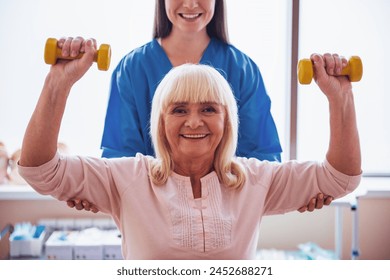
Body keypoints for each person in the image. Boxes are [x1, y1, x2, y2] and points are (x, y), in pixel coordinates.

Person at [18, 38, 361, 259]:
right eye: (179, 110)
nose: (194, 122)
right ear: (160, 121)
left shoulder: (255, 179)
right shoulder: (127, 177)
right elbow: (39, 170)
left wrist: (340, 96)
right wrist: (58, 82)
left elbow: (341, 178)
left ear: (227, 120)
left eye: (209, 109)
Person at [67, 0, 332, 213]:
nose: (191, 4)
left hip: (227, 220)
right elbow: (118, 160)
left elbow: (264, 164)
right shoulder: (132, 69)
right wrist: (99, 191)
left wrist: (294, 191)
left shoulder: (243, 70)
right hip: (151, 218)